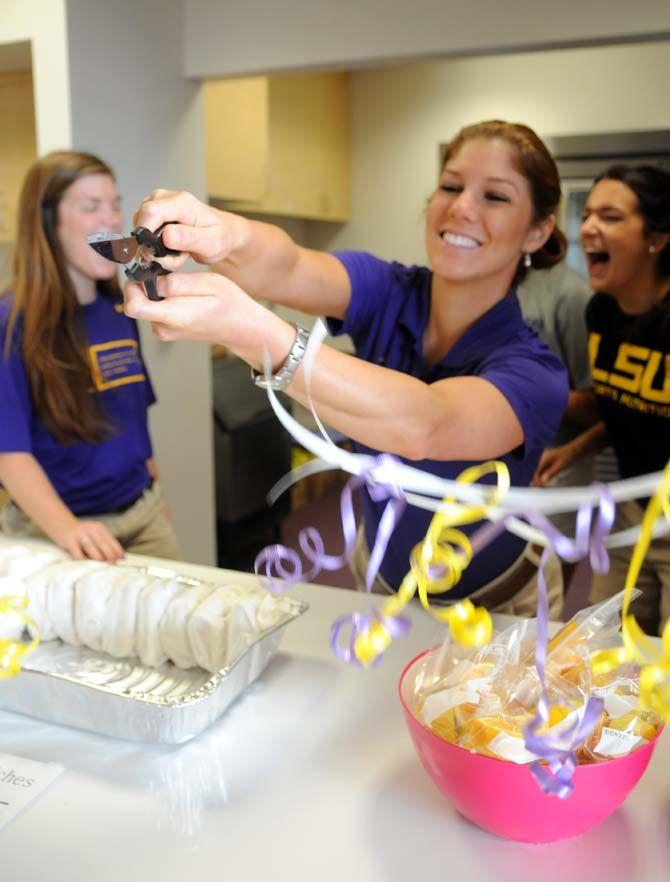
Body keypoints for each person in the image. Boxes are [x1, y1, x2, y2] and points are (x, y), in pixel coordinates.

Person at [124, 119, 570, 617]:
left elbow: (425, 425)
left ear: (538, 231)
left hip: (503, 606)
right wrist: (222, 232)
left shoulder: (536, 373)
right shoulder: (387, 291)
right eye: (450, 185)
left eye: (496, 197)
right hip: (383, 584)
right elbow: (288, 268)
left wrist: (255, 334)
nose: (462, 207)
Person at [0, 151, 180, 563]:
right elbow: (9, 454)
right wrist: (68, 529)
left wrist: (155, 492)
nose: (112, 220)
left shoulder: (123, 309)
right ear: (47, 222)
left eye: (115, 205)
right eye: (91, 206)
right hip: (57, 531)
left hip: (143, 516)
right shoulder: (11, 325)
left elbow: (135, 415)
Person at [535, 164, 670, 635]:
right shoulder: (602, 313)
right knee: (605, 643)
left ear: (656, 239)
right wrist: (572, 449)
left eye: (610, 217)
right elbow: (627, 407)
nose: (589, 226)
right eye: (589, 214)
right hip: (630, 511)